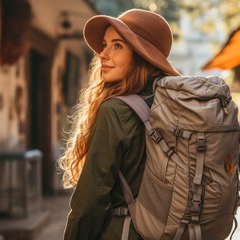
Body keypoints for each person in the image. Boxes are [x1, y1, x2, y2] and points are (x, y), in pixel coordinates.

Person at [58, 9, 180, 240]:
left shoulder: (115, 111)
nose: (102, 54)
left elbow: (89, 202)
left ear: (141, 55)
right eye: (105, 44)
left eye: (117, 46)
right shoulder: (174, 105)